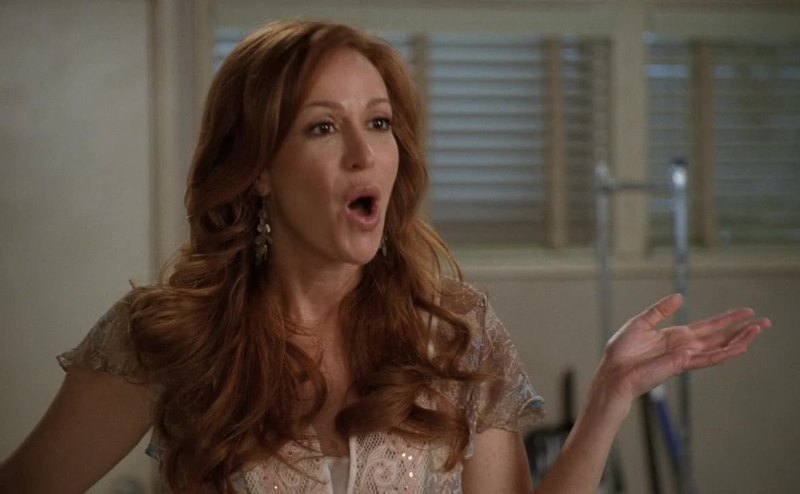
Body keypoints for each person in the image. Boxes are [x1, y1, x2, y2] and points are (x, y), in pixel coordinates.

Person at [0, 20, 769, 494]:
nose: (365, 154)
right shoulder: (168, 336)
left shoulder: (454, 332)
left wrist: (609, 397)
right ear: (258, 170)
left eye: (378, 122)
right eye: (322, 128)